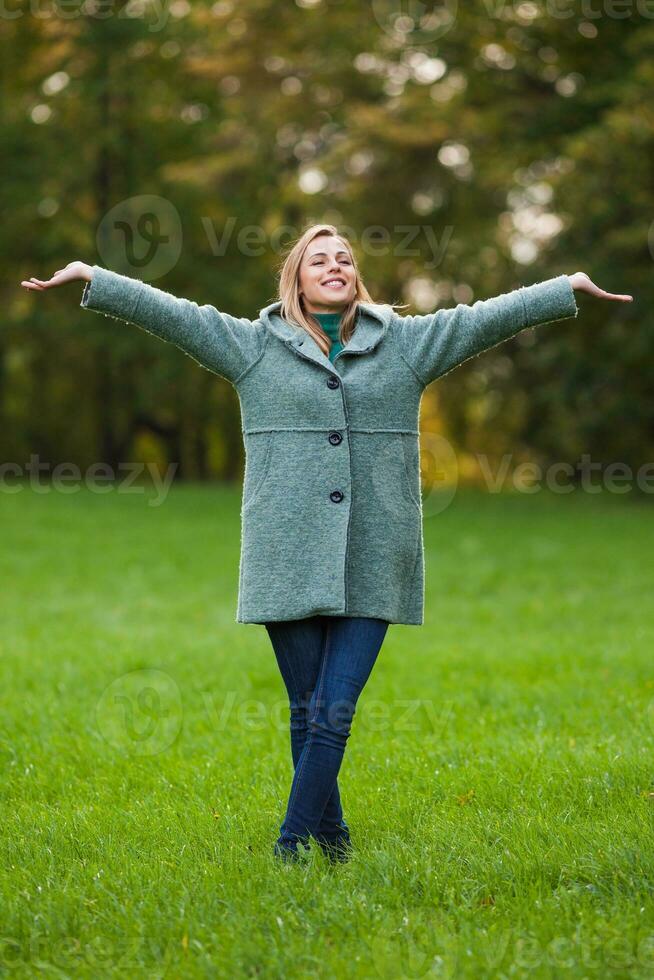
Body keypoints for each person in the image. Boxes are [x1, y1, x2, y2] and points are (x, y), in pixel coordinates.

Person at [20, 224, 632, 864]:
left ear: (355, 276)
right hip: (284, 554)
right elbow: (177, 317)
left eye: (344, 257)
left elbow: (481, 320)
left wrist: (565, 287)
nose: (334, 265)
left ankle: (290, 845)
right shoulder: (254, 347)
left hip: (376, 553)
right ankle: (334, 842)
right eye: (319, 259)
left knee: (333, 708)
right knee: (308, 708)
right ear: (297, 278)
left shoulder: (404, 346)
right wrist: (96, 276)